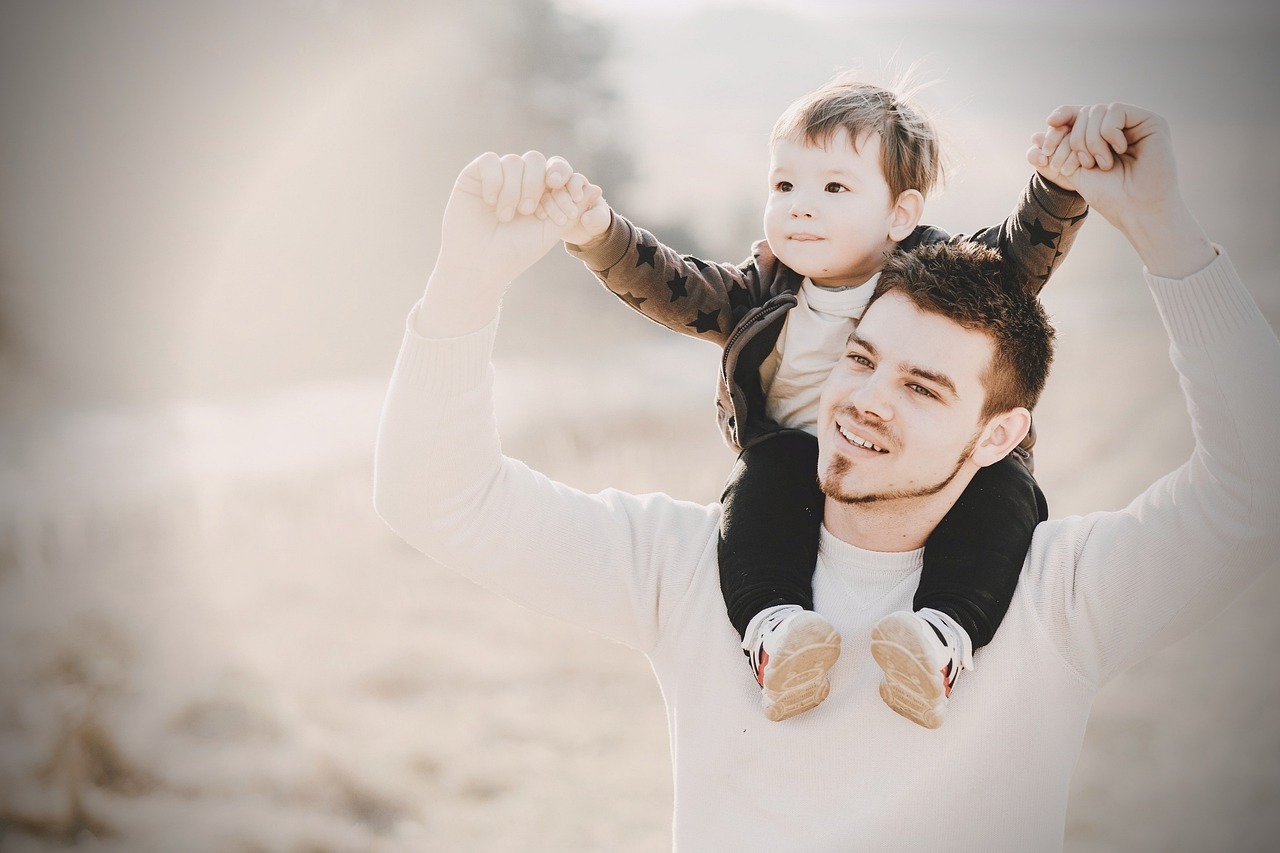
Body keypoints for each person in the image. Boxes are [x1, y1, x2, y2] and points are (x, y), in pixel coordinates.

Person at [373, 103, 1280, 850]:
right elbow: (433, 497)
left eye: (923, 385)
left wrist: (1161, 226)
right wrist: (466, 280)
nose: (866, 400)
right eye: (861, 356)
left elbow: (1257, 486)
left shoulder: (1060, 592)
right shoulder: (691, 564)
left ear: (1001, 432)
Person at [554, 75, 1089, 725]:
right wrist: (597, 233)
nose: (800, 206)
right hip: (803, 469)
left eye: (834, 187)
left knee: (1003, 490)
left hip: (929, 469)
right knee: (760, 479)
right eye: (784, 186)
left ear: (900, 214)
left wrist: (1058, 188)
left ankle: (941, 637)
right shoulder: (761, 289)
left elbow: (1015, 261)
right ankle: (776, 633)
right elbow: (671, 284)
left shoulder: (933, 274)